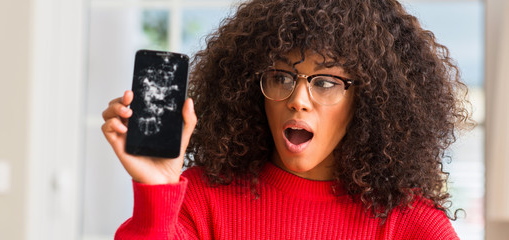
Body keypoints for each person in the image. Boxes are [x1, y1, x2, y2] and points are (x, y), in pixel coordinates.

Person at [102, 0, 472, 239]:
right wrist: (158, 189)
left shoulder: (410, 225)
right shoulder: (201, 200)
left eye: (326, 82)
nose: (297, 100)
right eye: (280, 77)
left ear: (370, 100)